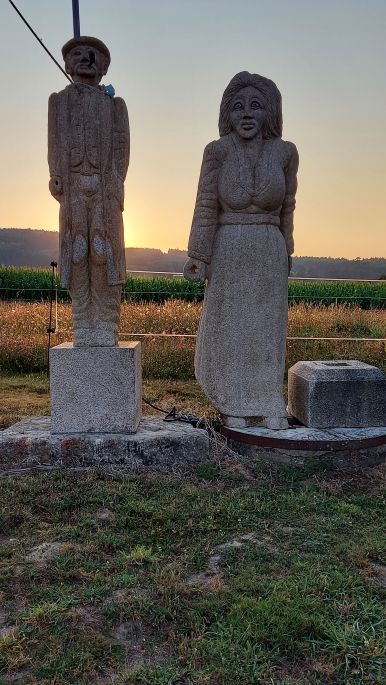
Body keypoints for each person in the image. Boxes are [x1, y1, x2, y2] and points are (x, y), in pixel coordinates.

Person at [184, 71, 298, 429]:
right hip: (228, 246)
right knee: (230, 326)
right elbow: (205, 204)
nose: (246, 114)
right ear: (227, 115)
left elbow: (289, 207)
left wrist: (288, 251)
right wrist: (198, 255)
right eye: (237, 107)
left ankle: (266, 400)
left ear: (270, 114)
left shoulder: (285, 152)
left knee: (266, 328)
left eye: (256, 106)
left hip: (268, 248)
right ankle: (232, 401)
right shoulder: (216, 152)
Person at [48, 36, 129, 346]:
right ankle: (82, 318)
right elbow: (55, 141)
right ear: (67, 64)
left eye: (92, 55)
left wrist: (117, 179)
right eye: (77, 54)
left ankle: (106, 320)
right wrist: (56, 174)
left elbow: (122, 145)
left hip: (104, 188)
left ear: (103, 65)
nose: (85, 59)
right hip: (74, 188)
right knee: (77, 251)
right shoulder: (60, 101)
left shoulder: (114, 104)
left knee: (103, 251)